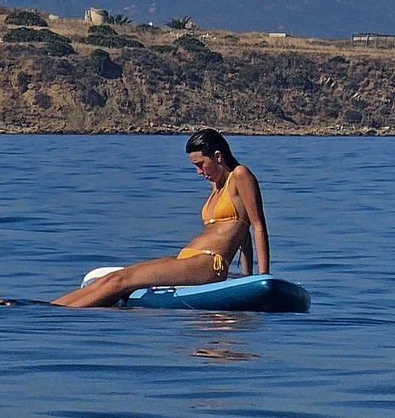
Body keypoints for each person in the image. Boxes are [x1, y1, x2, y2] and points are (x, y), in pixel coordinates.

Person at [47, 129, 270, 308]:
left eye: (200, 164)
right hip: (187, 258)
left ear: (218, 156)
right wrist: (244, 276)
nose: (199, 172)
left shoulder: (240, 175)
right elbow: (241, 235)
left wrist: (260, 277)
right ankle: (47, 307)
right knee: (117, 276)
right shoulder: (216, 186)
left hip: (208, 264)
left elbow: (256, 226)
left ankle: (54, 316)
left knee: (121, 283)